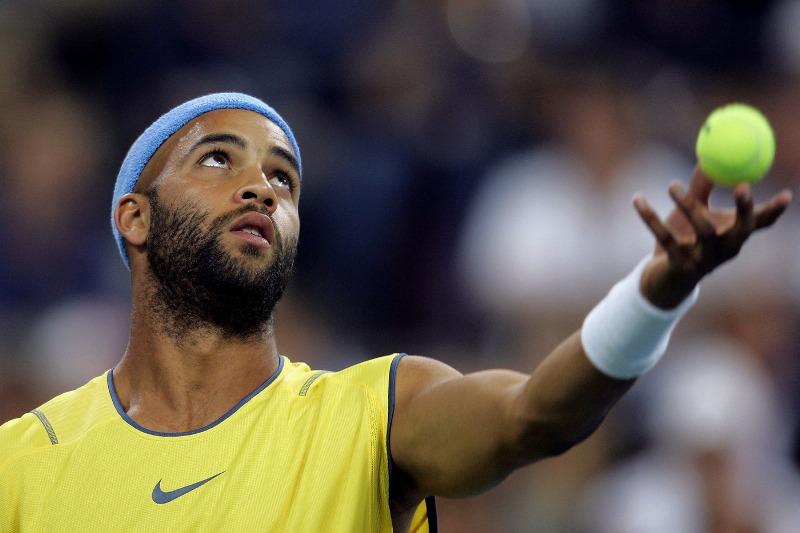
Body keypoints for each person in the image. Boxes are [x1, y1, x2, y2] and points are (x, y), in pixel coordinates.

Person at [0, 93, 792, 532]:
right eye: (218, 158)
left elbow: (533, 417)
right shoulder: (20, 465)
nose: (262, 188)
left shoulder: (374, 414)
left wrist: (655, 295)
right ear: (134, 217)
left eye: (283, 179)